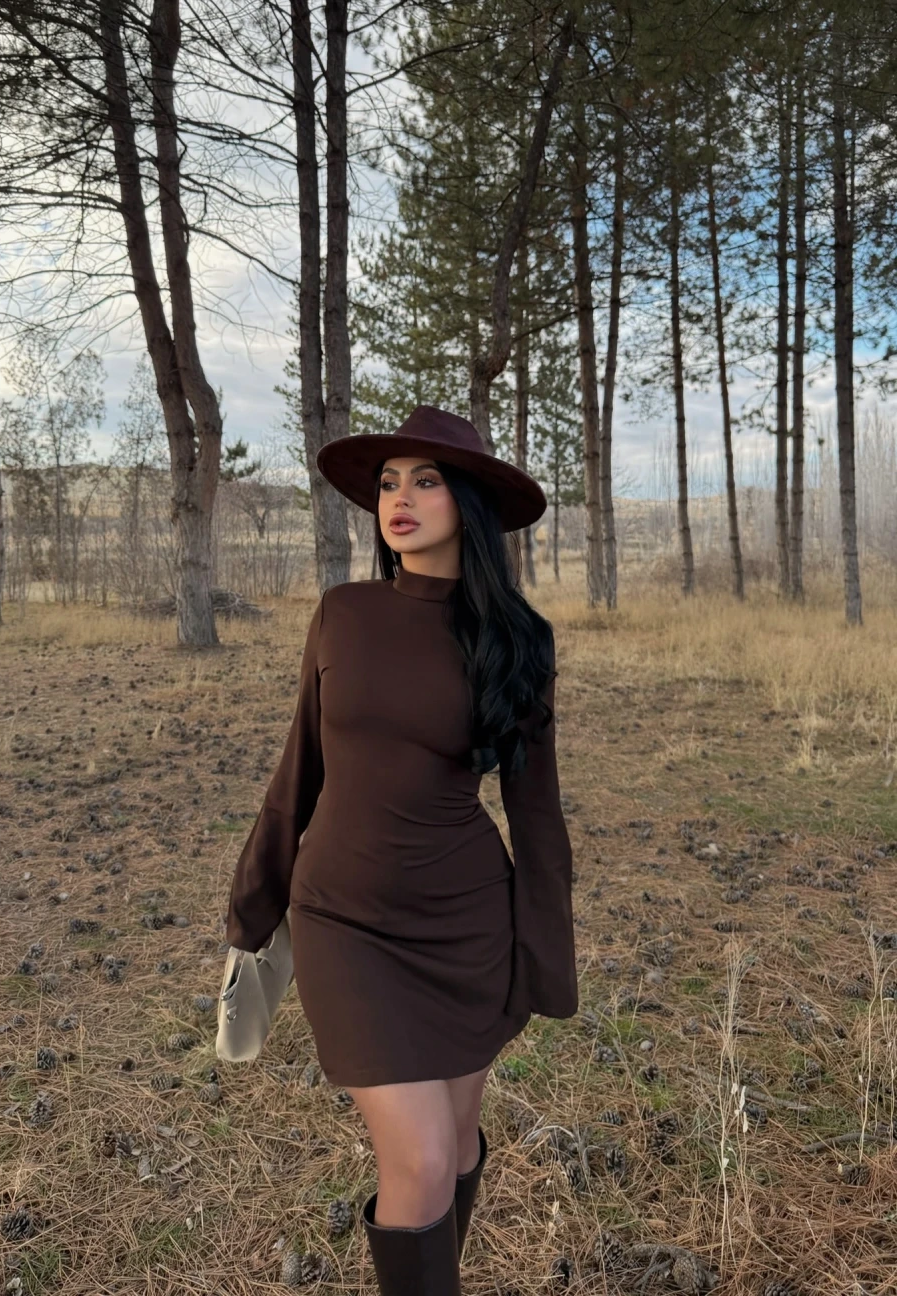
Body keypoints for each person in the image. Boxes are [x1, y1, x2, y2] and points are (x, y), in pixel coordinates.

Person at [224, 405, 578, 1296]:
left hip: (466, 926)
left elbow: (537, 817)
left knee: (453, 1145)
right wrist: (252, 907)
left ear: (469, 502)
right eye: (388, 483)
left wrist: (542, 959)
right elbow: (298, 768)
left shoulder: (517, 641)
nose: (399, 499)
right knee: (417, 1160)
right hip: (344, 920)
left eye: (425, 480)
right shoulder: (343, 614)